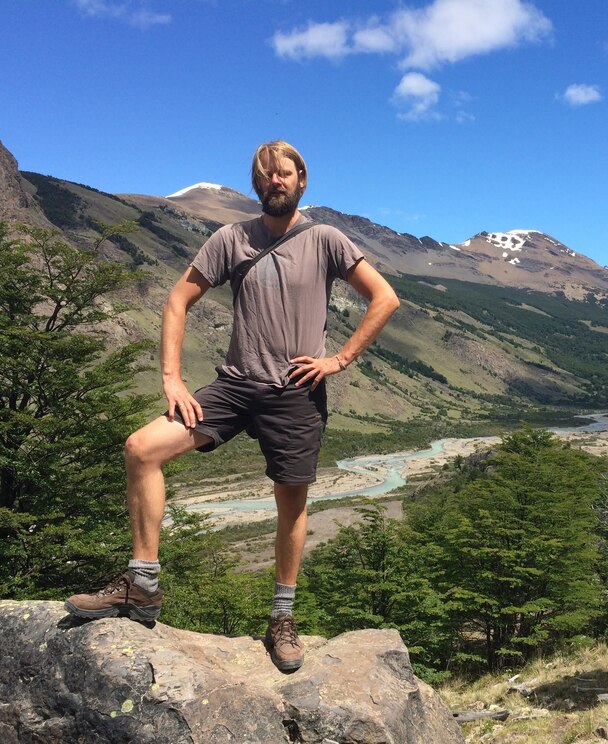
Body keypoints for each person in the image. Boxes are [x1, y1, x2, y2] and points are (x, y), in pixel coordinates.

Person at [65, 140, 400, 673]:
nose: (275, 181)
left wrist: (338, 360)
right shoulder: (230, 239)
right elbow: (177, 300)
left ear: (302, 181)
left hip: (296, 391)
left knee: (290, 502)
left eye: (284, 174)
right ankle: (142, 586)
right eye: (266, 175)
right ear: (256, 184)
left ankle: (282, 619)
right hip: (234, 386)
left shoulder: (326, 239)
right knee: (142, 448)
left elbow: (384, 298)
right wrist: (172, 379)